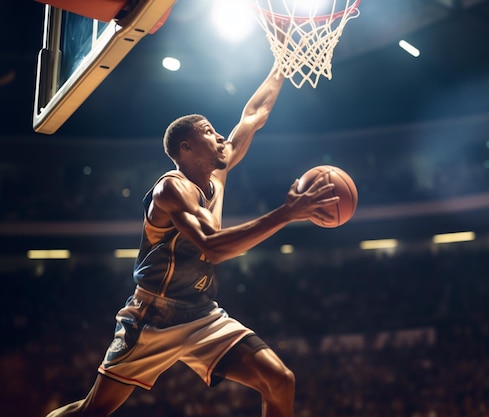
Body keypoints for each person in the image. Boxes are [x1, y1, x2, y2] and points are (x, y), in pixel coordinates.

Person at [46, 62, 339, 417]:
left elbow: (254, 114)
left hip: (201, 313)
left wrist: (281, 64)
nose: (220, 137)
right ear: (186, 148)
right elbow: (212, 247)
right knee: (92, 411)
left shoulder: (219, 170)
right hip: (153, 316)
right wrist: (287, 213)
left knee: (280, 379)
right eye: (209, 131)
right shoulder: (171, 189)